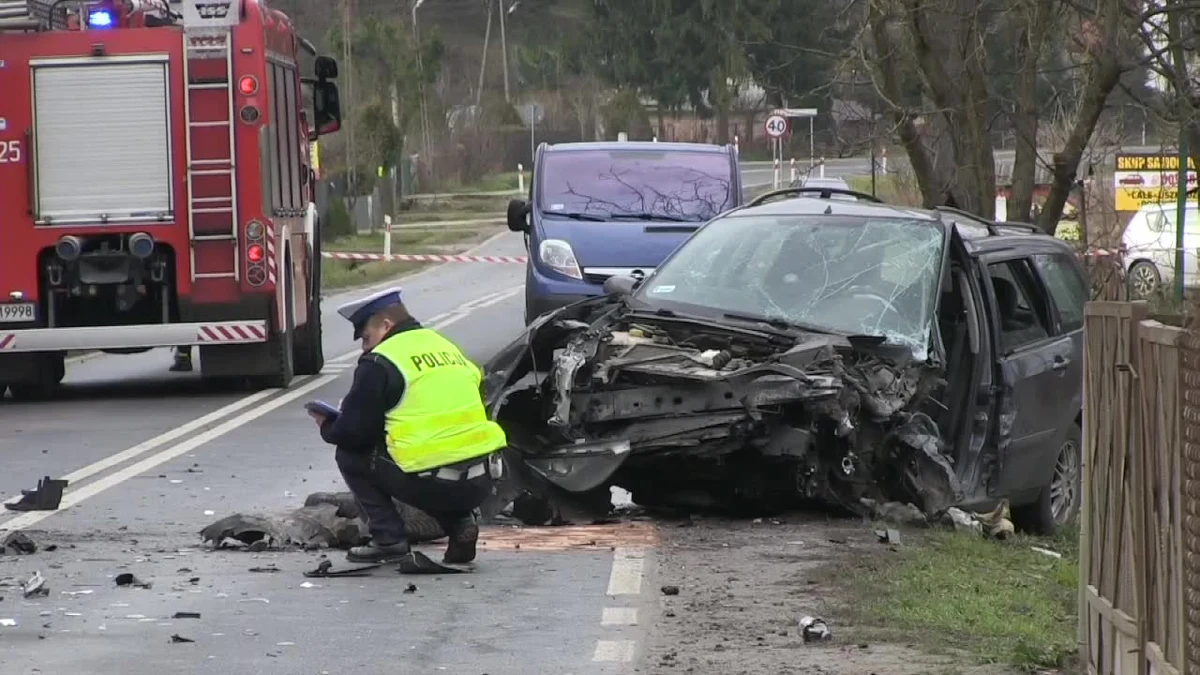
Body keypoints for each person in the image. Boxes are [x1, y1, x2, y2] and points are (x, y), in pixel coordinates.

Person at [308, 287, 506, 565]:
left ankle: (388, 539)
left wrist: (328, 425)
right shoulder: (445, 346)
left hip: (431, 480)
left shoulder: (380, 361)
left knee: (352, 455)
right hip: (480, 480)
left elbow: (354, 433)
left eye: (366, 337)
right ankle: (461, 523)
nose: (364, 347)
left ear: (386, 325)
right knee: (441, 460)